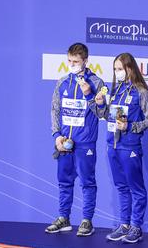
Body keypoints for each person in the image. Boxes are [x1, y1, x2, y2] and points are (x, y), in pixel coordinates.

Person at [95, 52, 148, 243]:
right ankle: (124, 225)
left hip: (129, 146)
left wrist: (130, 126)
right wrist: (99, 104)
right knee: (121, 187)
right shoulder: (116, 90)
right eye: (115, 69)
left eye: (120, 69)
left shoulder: (141, 91)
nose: (117, 72)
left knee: (136, 188)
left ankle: (136, 227)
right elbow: (107, 115)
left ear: (130, 68)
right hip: (112, 145)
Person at [45, 43, 104, 236]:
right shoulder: (62, 82)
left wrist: (88, 94)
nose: (72, 65)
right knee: (64, 182)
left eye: (76, 61)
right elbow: (55, 110)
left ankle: (87, 221)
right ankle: (64, 218)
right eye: (69, 61)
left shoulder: (97, 83)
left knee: (87, 183)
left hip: (85, 143)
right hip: (64, 142)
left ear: (85, 61)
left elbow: (103, 113)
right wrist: (56, 136)